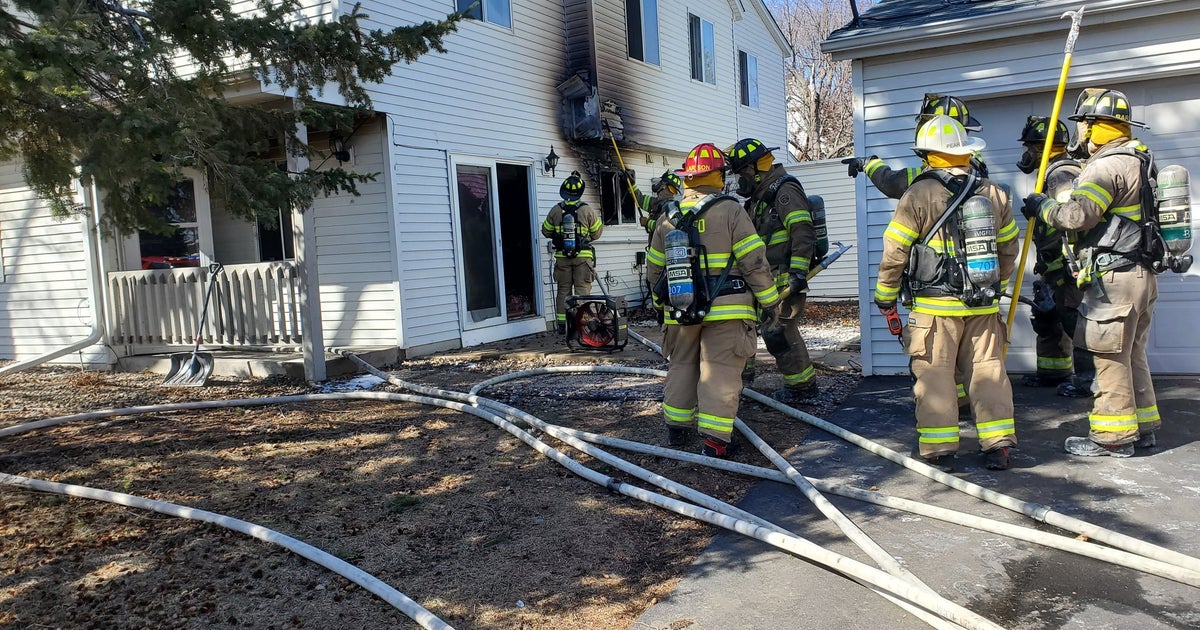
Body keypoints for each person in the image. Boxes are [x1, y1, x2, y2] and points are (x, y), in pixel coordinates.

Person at [874, 115, 1020, 471]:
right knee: (989, 372)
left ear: (928, 154)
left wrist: (885, 294)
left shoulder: (918, 193)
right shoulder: (993, 192)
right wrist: (993, 286)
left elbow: (896, 251)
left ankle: (940, 451)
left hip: (934, 308)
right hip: (982, 305)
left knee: (935, 374)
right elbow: (1008, 249)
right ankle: (998, 445)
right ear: (965, 152)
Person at [1022, 89, 1161, 457]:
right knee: (1133, 354)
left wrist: (1042, 206)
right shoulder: (1141, 160)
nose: (1080, 130)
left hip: (1115, 277)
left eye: (1083, 122)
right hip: (1143, 274)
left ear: (1097, 126)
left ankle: (1113, 438)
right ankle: (1144, 428)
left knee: (1109, 357)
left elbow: (1077, 217)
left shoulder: (1106, 166)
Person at [846, 94, 983, 416]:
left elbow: (894, 185)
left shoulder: (924, 182)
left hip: (935, 292)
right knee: (974, 357)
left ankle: (944, 418)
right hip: (977, 288)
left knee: (936, 360)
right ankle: (967, 406)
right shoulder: (980, 179)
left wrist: (869, 164)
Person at [645, 143, 781, 458]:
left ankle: (677, 430)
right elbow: (754, 262)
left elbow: (654, 270)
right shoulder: (731, 209)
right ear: (718, 176)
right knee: (719, 369)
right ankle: (716, 441)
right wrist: (771, 303)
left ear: (687, 179)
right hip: (727, 309)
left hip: (680, 307)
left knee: (682, 365)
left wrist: (659, 305)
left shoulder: (667, 216)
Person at [725, 138, 819, 404]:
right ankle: (743, 385)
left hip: (785, 278)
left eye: (742, 173)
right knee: (756, 329)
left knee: (781, 331)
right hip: (765, 279)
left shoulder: (784, 190)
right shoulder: (759, 198)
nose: (740, 180)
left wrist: (798, 273)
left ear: (756, 168)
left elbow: (802, 229)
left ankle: (802, 389)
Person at [1014, 116, 1093, 396]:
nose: (1026, 154)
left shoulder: (1061, 173)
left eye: (1029, 147)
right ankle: (1053, 372)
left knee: (1071, 317)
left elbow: (1070, 218)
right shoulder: (1049, 171)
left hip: (1065, 264)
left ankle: (1089, 380)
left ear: (1039, 148)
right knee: (1049, 317)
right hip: (1051, 262)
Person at [541, 171, 604, 335]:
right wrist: (585, 236)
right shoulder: (587, 210)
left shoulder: (556, 210)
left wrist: (558, 234)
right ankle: (583, 326)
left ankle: (563, 325)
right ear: (580, 192)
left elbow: (545, 231)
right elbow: (597, 232)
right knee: (582, 291)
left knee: (563, 291)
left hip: (562, 258)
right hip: (583, 258)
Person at [626, 169, 682, 245]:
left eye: (660, 182)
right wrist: (632, 184)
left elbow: (665, 228)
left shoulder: (669, 207)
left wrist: (647, 223)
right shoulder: (657, 203)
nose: (658, 185)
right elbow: (640, 200)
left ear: (663, 185)